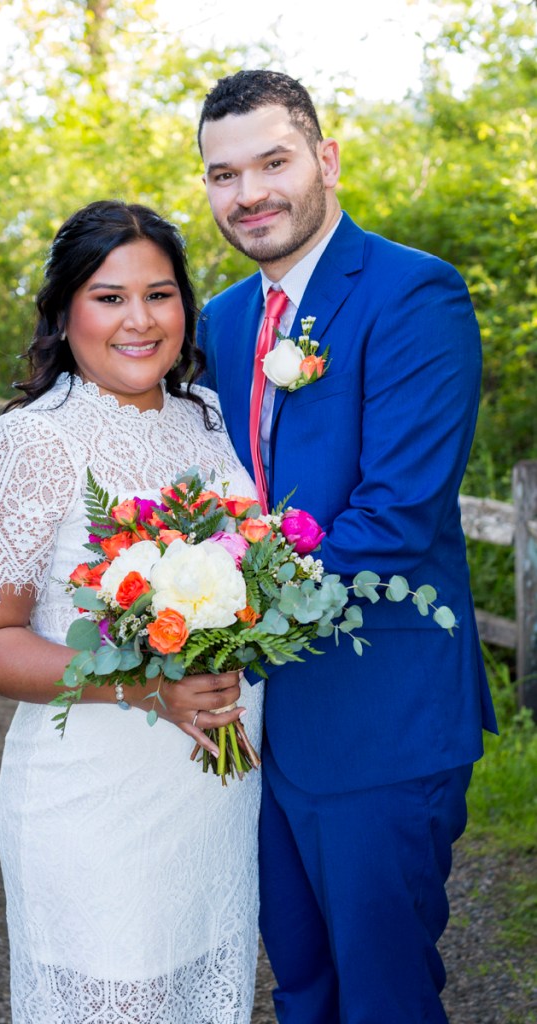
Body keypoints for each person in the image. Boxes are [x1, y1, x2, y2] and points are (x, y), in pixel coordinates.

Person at [196, 70, 497, 1024]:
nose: (248, 194)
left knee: (382, 995)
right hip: (256, 726)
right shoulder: (223, 319)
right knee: (303, 988)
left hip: (378, 717)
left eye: (272, 162)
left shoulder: (414, 293)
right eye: (222, 174)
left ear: (324, 160)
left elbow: (396, 517)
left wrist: (215, 606)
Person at [0, 200, 264, 1024]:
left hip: (211, 803)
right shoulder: (30, 443)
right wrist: (145, 689)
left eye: (158, 294)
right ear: (63, 310)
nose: (138, 320)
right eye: (108, 296)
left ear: (185, 306)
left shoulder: (210, 419)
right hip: (95, 810)